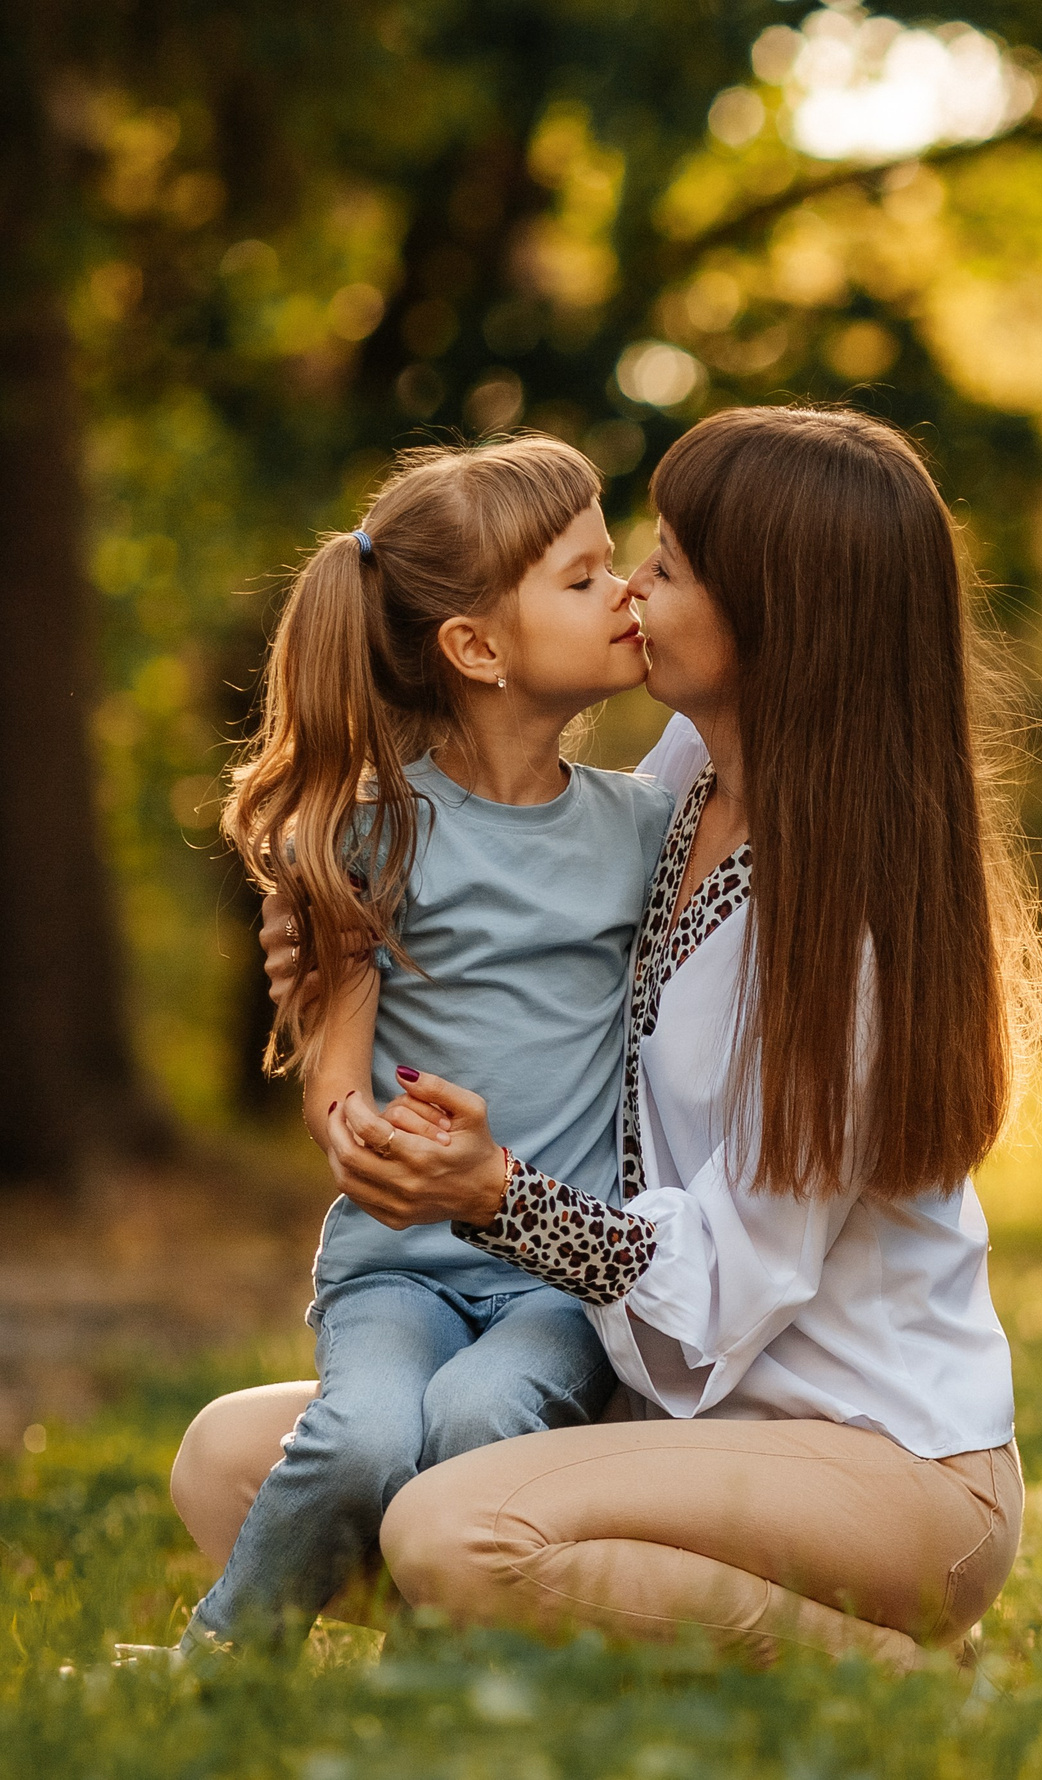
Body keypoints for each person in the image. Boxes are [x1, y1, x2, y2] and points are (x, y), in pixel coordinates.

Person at [179, 404, 1042, 1667]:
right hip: (658, 1412)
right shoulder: (690, 775)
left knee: (445, 1528)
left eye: (671, 567)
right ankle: (549, 1651)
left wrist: (502, 1197)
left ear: (776, 621)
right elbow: (498, 891)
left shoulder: (843, 930)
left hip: (870, 1450)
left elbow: (727, 1283)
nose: (634, 588)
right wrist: (328, 943)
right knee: (226, 1463)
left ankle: (903, 1676)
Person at [159, 436, 671, 1656]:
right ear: (477, 648)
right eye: (584, 576)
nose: (627, 594)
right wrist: (372, 1138)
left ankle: (431, 1692)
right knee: (366, 1435)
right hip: (398, 1265)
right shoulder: (376, 835)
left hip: (558, 1275)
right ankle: (218, 1662)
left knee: (480, 1418)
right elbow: (334, 1090)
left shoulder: (647, 826)